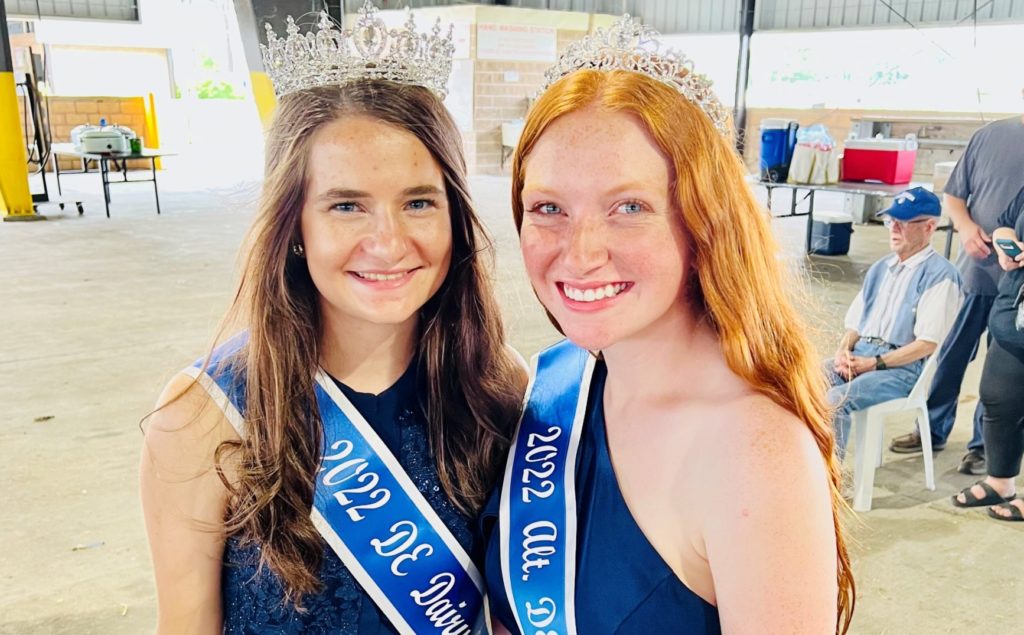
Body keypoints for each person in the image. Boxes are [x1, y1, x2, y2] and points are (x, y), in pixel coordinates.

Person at [139, 6, 525, 633]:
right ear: (294, 226)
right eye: (347, 205)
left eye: (419, 202)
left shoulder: (494, 385)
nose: (389, 241)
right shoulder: (203, 414)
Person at [482, 16, 853, 635]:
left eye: (629, 207)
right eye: (548, 208)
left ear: (702, 219)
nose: (579, 254)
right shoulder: (557, 387)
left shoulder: (754, 452)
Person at [890, 104, 1024, 475]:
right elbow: (955, 195)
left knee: (1004, 371)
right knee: (950, 352)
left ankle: (984, 447)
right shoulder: (991, 137)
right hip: (978, 271)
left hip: (1018, 290)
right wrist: (965, 228)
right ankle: (931, 427)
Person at [826, 187, 962, 457]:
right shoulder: (881, 268)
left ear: (929, 227)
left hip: (901, 370)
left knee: (835, 401)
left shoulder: (940, 276)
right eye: (891, 221)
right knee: (797, 384)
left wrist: (874, 364)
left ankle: (829, 486)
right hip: (861, 354)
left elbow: (926, 344)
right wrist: (843, 351)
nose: (893, 229)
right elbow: (855, 325)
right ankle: (800, 475)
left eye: (903, 223)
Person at [951, 186, 1024, 520]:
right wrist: (1005, 245)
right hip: (1014, 311)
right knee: (998, 398)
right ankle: (1001, 480)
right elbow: (1007, 223)